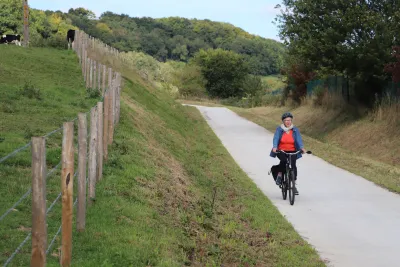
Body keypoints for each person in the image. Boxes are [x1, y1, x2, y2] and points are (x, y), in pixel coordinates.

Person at [270, 112, 307, 195]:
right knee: (283, 161)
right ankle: (279, 175)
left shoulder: (295, 129)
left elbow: (298, 139)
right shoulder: (279, 129)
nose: (288, 122)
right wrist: (275, 147)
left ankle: (294, 185)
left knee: (293, 165)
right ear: (283, 121)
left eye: (289, 120)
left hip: (292, 150)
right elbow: (276, 138)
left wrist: (301, 148)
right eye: (286, 120)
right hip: (281, 150)